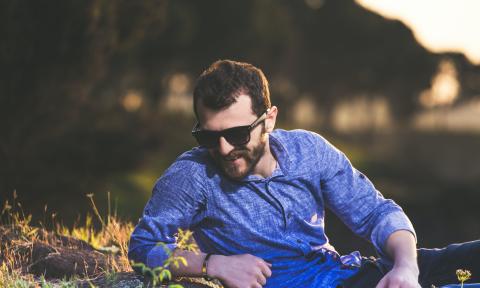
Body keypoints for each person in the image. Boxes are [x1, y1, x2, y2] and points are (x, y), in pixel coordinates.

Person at [128, 60, 479, 288]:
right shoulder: (192, 176)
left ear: (269, 120)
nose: (222, 149)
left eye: (236, 135)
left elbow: (376, 214)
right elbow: (144, 247)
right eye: (208, 136)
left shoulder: (308, 150)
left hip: (356, 273)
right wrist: (214, 263)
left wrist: (405, 267)